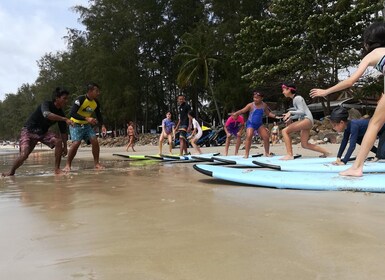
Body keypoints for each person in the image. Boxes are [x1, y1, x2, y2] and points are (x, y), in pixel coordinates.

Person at [310, 21, 385, 176]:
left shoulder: (372, 55)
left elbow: (351, 81)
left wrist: (326, 91)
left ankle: (356, 168)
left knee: (374, 125)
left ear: (368, 42)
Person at [2, 87, 73, 176]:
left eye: (67, 99)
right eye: (64, 98)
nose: (66, 101)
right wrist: (64, 119)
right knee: (24, 155)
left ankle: (57, 169)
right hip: (28, 131)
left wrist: (65, 147)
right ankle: (11, 172)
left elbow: (63, 132)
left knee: (58, 141)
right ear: (57, 98)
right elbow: (46, 114)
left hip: (43, 133)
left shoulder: (61, 113)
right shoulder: (46, 104)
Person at [281, 82, 330, 160]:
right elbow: (300, 113)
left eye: (284, 90)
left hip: (307, 120)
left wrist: (290, 112)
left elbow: (302, 112)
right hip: (307, 120)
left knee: (284, 131)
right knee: (304, 144)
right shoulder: (295, 99)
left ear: (289, 90)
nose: (282, 92)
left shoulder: (297, 98)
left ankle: (289, 155)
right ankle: (326, 152)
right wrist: (291, 117)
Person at [63, 83, 104, 172]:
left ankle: (96, 163)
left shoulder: (96, 102)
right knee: (76, 143)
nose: (98, 93)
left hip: (86, 125)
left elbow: (99, 115)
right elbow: (72, 113)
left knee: (94, 140)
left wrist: (103, 125)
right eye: (96, 91)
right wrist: (87, 118)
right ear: (90, 91)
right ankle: (68, 164)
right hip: (75, 124)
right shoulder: (80, 99)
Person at [233, 90, 278, 158]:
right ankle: (246, 154)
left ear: (261, 98)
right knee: (249, 136)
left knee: (266, 137)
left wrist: (275, 116)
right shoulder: (250, 105)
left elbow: (268, 113)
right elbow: (243, 110)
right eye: (254, 97)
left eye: (257, 98)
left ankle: (267, 153)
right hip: (250, 123)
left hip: (259, 124)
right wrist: (236, 113)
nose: (255, 99)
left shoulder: (264, 105)